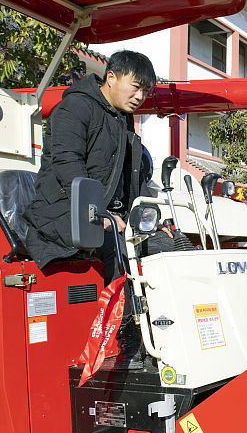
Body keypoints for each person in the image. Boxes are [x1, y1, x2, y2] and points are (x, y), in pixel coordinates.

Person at [21, 50, 157, 364]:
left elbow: (128, 176)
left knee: (159, 245)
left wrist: (141, 215)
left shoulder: (121, 117)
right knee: (114, 246)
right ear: (111, 76)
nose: (139, 97)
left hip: (99, 214)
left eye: (145, 91)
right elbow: (68, 165)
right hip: (60, 212)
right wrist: (99, 214)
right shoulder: (75, 107)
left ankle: (152, 340)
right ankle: (117, 347)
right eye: (135, 87)